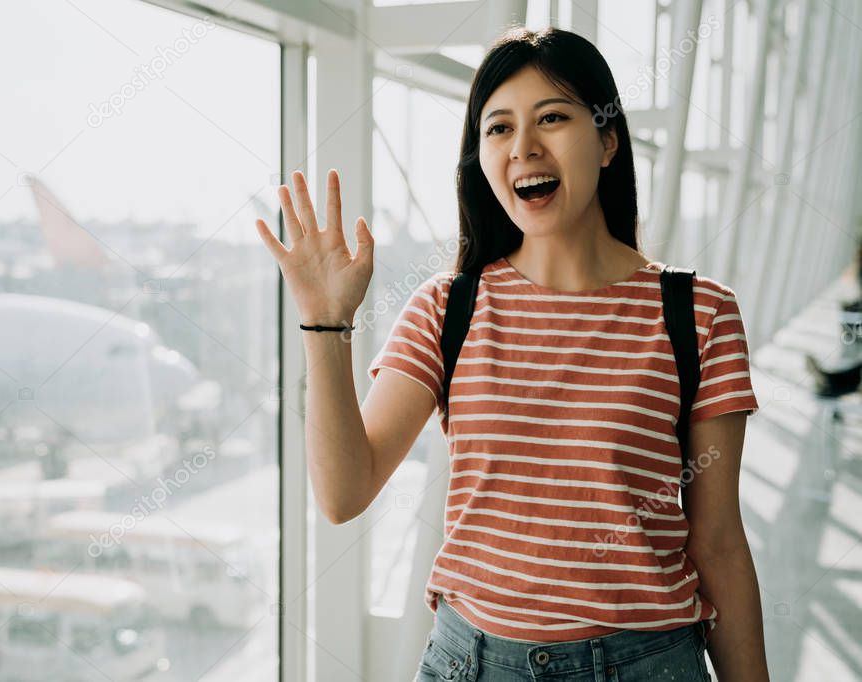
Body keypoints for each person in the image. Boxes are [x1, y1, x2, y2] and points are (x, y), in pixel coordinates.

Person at [255, 24, 768, 682]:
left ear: (607, 140)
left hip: (645, 663)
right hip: (470, 663)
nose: (523, 146)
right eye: (497, 128)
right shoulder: (449, 308)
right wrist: (324, 325)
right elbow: (343, 492)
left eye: (551, 118)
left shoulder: (697, 314)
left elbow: (718, 541)